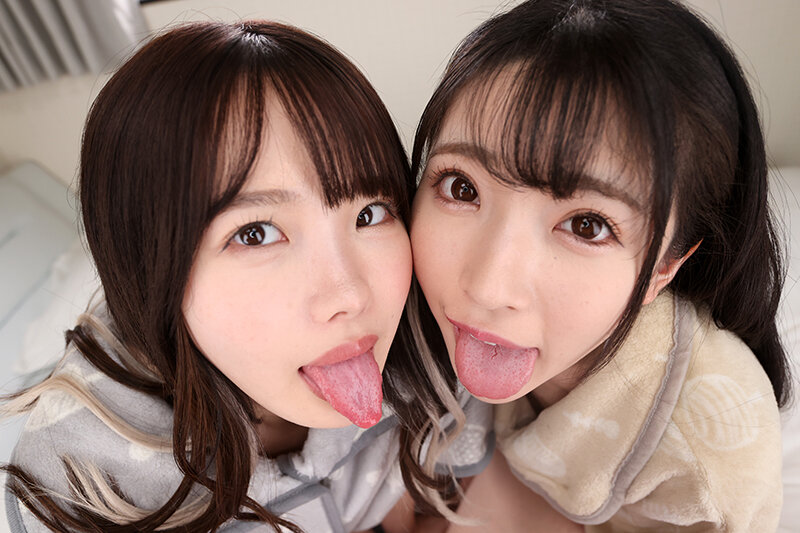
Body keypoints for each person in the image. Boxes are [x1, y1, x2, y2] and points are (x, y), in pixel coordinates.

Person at [1, 21, 491, 533]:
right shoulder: (87, 485)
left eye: (369, 214)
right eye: (256, 234)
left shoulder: (434, 345)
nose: (349, 294)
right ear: (150, 270)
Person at [409, 0, 791, 530]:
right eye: (461, 188)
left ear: (666, 266)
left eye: (587, 225)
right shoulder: (384, 289)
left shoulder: (708, 455)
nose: (489, 287)